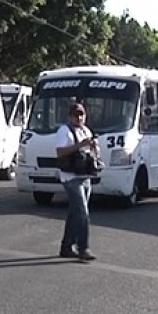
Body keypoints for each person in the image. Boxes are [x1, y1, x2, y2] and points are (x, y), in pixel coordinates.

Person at [56, 102, 100, 261]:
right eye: (76, 115)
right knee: (82, 213)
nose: (79, 118)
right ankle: (84, 248)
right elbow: (60, 152)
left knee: (75, 213)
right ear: (70, 116)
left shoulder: (86, 130)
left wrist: (94, 146)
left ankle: (66, 246)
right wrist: (80, 145)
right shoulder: (64, 131)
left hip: (84, 176)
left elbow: (92, 153)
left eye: (81, 114)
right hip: (70, 177)